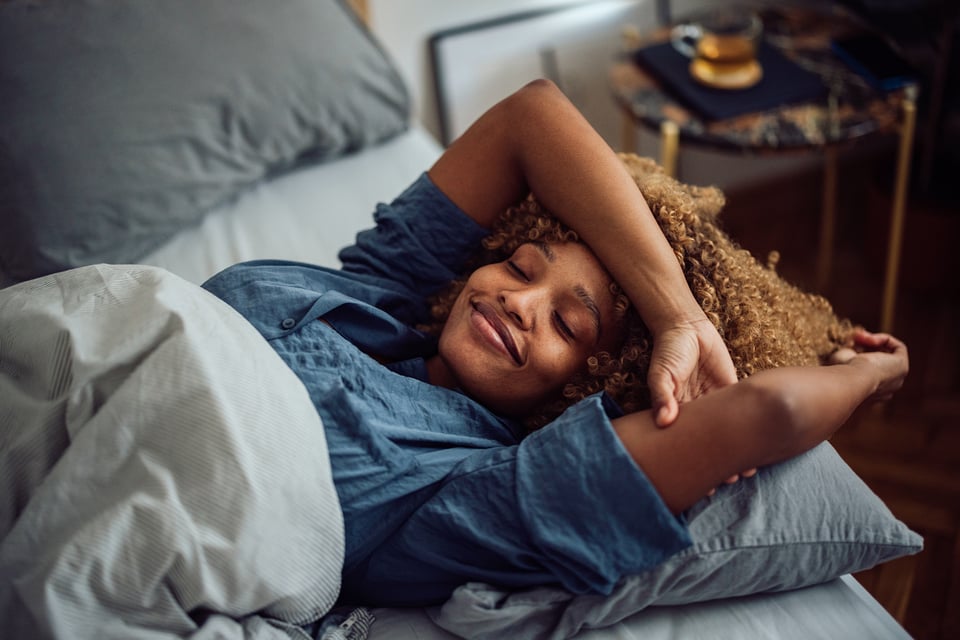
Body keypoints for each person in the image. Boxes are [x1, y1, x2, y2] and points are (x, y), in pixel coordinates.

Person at [202, 79, 908, 607]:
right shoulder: (386, 289)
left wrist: (872, 373)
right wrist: (677, 316)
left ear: (593, 386)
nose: (519, 299)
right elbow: (532, 116)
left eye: (571, 325)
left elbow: (771, 413)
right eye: (518, 265)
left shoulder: (467, 493)